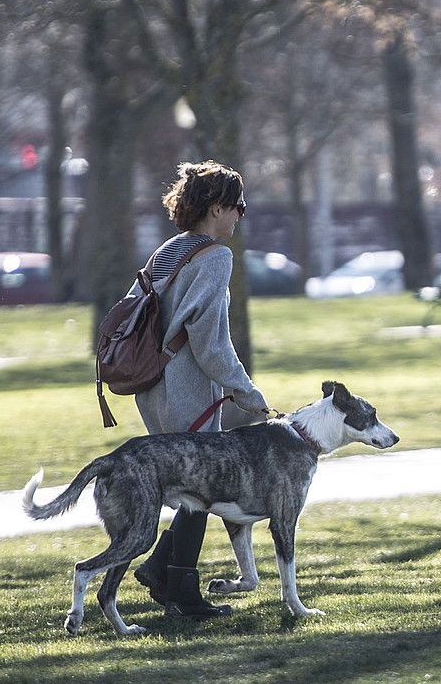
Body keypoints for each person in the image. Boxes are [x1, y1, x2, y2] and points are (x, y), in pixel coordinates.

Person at [131, 160, 271, 619]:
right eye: (238, 207)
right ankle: (183, 595)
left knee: (190, 482)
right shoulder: (214, 256)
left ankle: (160, 571)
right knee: (200, 485)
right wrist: (248, 394)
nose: (239, 217)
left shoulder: (169, 250)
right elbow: (210, 342)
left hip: (151, 384)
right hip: (187, 386)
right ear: (216, 209)